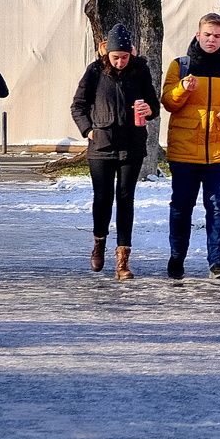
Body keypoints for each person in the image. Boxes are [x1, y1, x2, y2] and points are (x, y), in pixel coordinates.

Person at [161, 12, 220, 281]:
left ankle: (217, 262)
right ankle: (177, 257)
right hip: (185, 149)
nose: (212, 40)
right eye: (207, 35)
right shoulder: (180, 66)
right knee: (181, 206)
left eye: (217, 36)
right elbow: (168, 102)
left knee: (218, 207)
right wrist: (183, 89)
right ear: (197, 34)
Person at [69, 25, 158, 280]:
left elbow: (153, 104)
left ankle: (123, 259)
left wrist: (148, 111)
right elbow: (78, 105)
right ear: (106, 53)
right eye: (115, 57)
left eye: (124, 57)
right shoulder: (95, 71)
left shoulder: (140, 70)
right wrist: (88, 130)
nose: (120, 62)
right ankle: (99, 242)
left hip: (132, 144)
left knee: (126, 199)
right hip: (101, 146)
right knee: (103, 198)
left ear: (131, 52)